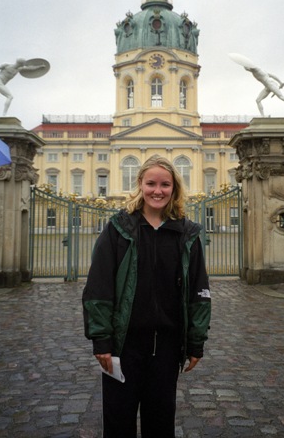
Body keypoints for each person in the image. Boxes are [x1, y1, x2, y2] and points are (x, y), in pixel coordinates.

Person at [82, 155, 211, 438]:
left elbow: (199, 292)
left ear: (175, 188)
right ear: (139, 184)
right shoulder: (119, 229)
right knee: (118, 423)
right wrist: (102, 340)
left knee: (161, 423)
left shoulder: (187, 234)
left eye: (165, 184)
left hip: (166, 347)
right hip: (123, 345)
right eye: (151, 183)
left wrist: (195, 342)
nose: (157, 190)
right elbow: (98, 287)